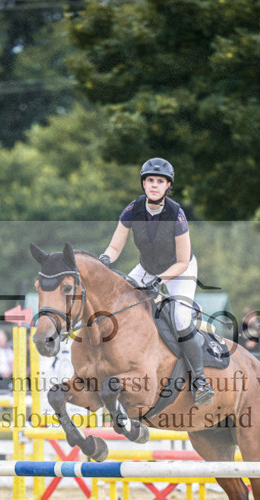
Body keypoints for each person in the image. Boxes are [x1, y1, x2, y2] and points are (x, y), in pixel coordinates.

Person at [99, 157, 214, 405]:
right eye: (150, 180)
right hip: (147, 268)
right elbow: (114, 245)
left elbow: (182, 260)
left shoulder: (176, 214)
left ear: (167, 186)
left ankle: (200, 380)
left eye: (159, 181)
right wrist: (104, 259)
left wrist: (160, 280)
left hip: (179, 270)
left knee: (181, 320)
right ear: (143, 183)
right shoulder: (132, 209)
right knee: (119, 304)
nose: (154, 185)